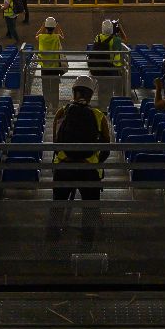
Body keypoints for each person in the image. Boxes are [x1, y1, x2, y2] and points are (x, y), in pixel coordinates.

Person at [48, 75, 112, 245]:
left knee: (57, 207)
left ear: (73, 92)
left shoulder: (61, 113)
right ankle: (87, 244)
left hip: (64, 168)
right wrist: (94, 161)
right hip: (89, 171)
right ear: (91, 95)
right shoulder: (98, 115)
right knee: (89, 210)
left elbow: (56, 142)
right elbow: (107, 146)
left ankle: (52, 244)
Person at [87, 19, 126, 100]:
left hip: (99, 66)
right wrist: (120, 29)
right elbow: (125, 40)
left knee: (101, 87)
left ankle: (102, 104)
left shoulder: (98, 37)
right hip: (111, 68)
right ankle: (107, 104)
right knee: (109, 87)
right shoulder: (116, 40)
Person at [35, 17, 65, 107]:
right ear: (54, 27)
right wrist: (58, 28)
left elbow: (36, 35)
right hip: (55, 66)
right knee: (55, 86)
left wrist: (42, 27)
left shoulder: (41, 37)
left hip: (45, 66)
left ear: (46, 26)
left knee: (46, 86)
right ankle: (55, 105)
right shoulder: (57, 37)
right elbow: (62, 37)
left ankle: (46, 104)